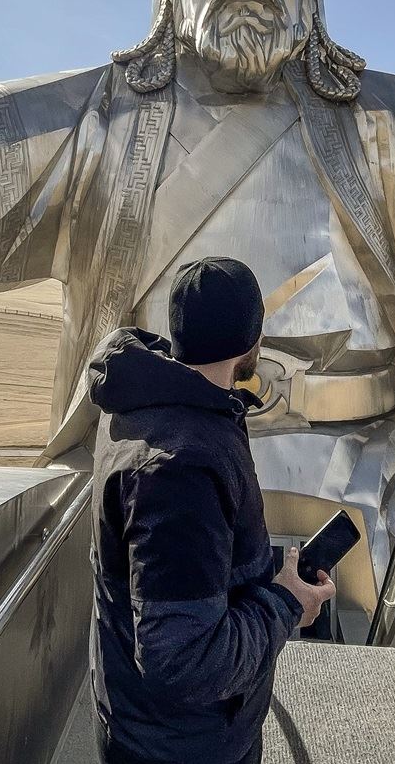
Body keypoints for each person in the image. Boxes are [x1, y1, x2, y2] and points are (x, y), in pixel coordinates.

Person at [88, 257, 334, 764]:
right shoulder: (182, 469)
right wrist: (288, 606)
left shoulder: (144, 405)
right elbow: (183, 661)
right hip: (183, 746)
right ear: (252, 342)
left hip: (148, 725)